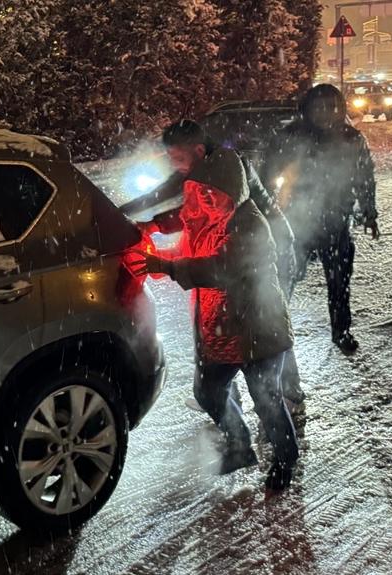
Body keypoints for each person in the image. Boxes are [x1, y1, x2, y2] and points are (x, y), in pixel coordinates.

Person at [128, 141, 301, 491]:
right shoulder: (207, 217)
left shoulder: (249, 223)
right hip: (222, 329)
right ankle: (239, 445)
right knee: (208, 391)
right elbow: (185, 231)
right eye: (201, 193)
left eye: (213, 194)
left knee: (266, 400)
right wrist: (154, 234)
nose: (205, 201)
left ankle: (285, 461)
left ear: (232, 192)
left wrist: (168, 266)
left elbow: (221, 268)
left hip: (258, 328)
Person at [139, 120, 306, 419]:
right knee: (238, 326)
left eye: (178, 158)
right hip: (247, 249)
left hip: (271, 251)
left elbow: (206, 212)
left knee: (265, 330)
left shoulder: (230, 170)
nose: (175, 166)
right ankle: (231, 398)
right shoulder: (203, 169)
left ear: (199, 151)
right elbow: (188, 206)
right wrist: (145, 218)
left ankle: (289, 397)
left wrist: (168, 259)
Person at [263, 84, 379, 353]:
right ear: (308, 109)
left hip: (336, 221)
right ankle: (274, 331)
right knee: (286, 276)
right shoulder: (290, 137)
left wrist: (369, 213)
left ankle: (342, 331)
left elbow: (365, 178)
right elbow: (267, 174)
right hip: (296, 222)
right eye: (320, 107)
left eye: (332, 107)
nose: (326, 113)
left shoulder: (351, 139)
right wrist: (265, 212)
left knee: (339, 282)